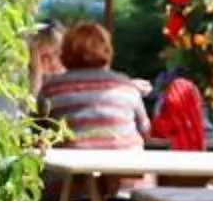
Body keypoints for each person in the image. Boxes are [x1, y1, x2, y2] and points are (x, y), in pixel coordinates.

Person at [38, 22, 149, 151]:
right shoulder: (126, 85)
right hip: (124, 165)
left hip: (72, 163)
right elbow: (145, 130)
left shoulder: (52, 88)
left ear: (64, 52)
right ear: (107, 50)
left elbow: (39, 128)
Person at [147, 67, 208, 151]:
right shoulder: (193, 88)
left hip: (179, 145)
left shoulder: (176, 88)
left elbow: (168, 122)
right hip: (196, 142)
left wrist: (155, 124)